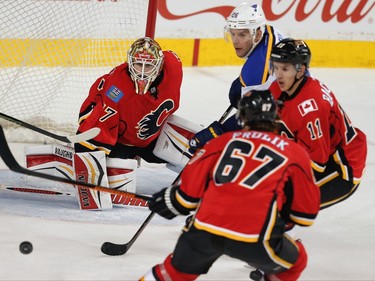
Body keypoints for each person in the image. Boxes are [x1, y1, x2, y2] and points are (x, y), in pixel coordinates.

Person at [140, 90, 321, 280]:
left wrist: (168, 200)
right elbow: (305, 215)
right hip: (256, 238)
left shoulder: (219, 143)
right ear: (276, 117)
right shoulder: (296, 153)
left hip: (205, 231)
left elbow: (186, 199)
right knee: (295, 262)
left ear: (242, 116)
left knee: (172, 273)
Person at [72, 37, 183, 210]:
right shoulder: (116, 89)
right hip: (121, 142)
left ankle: (207, 181)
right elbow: (97, 128)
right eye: (139, 65)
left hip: (151, 138)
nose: (143, 72)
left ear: (160, 65)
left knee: (193, 143)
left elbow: (169, 56)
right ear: (130, 63)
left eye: (149, 66)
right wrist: (87, 164)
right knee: (119, 179)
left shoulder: (173, 70)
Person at [268, 38, 367, 209]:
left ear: (301, 70)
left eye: (285, 68)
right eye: (276, 67)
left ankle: (275, 233)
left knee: (284, 202)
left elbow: (316, 164)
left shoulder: (310, 109)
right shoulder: (280, 88)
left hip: (341, 167)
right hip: (321, 152)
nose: (279, 74)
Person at [188, 2, 284, 153]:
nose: (235, 41)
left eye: (242, 34)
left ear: (257, 33)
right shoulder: (267, 32)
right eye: (233, 33)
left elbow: (253, 115)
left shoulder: (256, 68)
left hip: (288, 121)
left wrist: (219, 132)